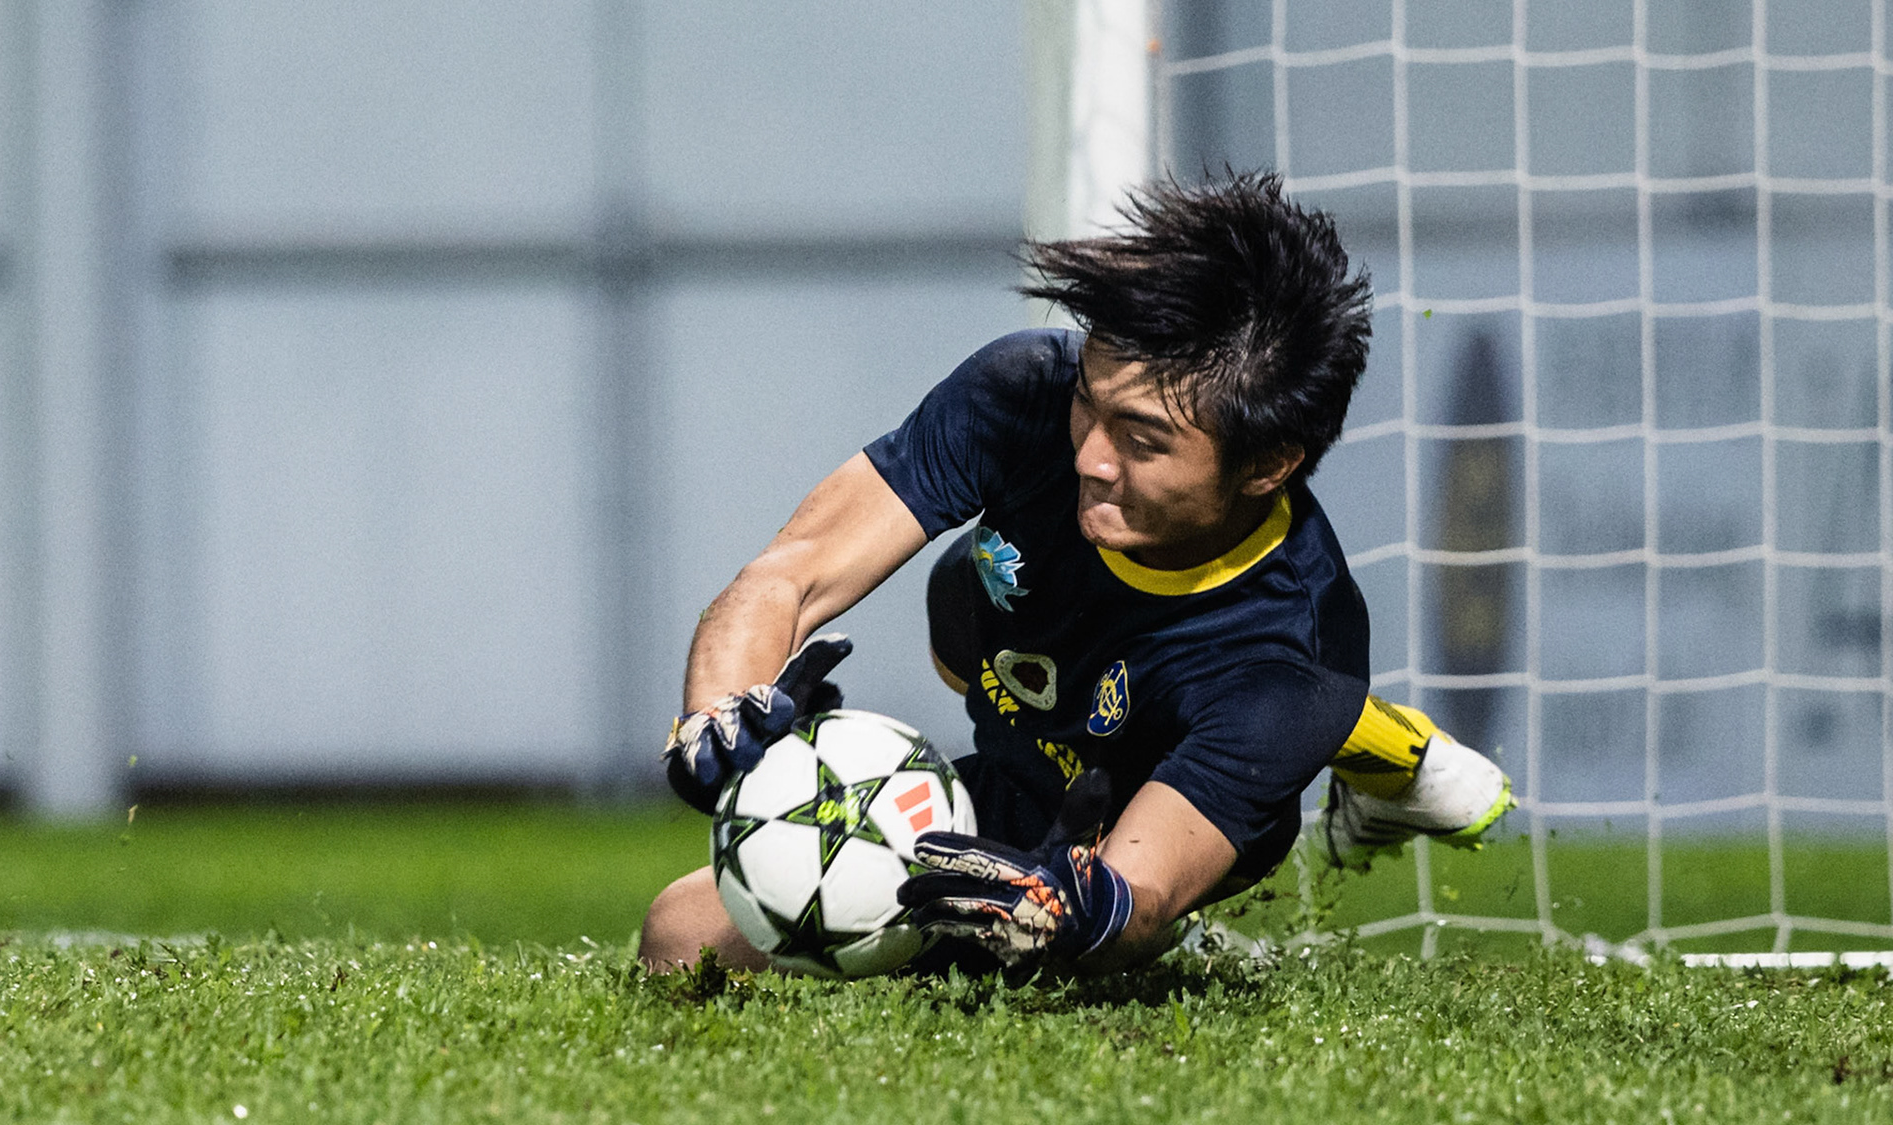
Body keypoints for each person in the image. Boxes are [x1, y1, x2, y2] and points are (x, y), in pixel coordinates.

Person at [642, 171, 1511, 976]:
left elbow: (1139, 896)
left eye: (1141, 440)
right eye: (1088, 403)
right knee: (679, 933)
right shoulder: (1020, 392)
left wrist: (1070, 907)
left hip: (1129, 799)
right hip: (1017, 687)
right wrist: (718, 720)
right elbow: (787, 574)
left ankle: (1376, 745)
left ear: (1266, 465)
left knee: (1053, 966)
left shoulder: (1294, 661)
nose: (1091, 457)